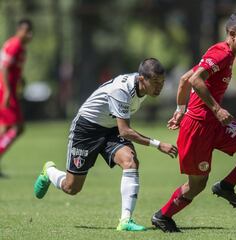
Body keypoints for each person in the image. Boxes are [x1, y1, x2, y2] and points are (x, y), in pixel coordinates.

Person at [151, 12, 236, 233]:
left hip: (216, 125)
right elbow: (195, 80)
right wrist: (215, 108)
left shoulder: (225, 54)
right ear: (232, 34)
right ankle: (162, 216)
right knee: (196, 185)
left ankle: (226, 186)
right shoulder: (222, 53)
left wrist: (179, 110)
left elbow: (186, 78)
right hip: (197, 128)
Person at [33, 58, 178, 231]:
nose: (159, 86)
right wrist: (158, 144)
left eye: (162, 82)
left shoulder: (144, 87)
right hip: (86, 129)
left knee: (130, 162)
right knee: (71, 188)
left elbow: (120, 128)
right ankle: (49, 171)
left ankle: (125, 221)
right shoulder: (122, 90)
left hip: (111, 129)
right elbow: (125, 131)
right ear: (141, 79)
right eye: (155, 82)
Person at [0, 19, 33, 177]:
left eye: (31, 31)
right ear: (19, 30)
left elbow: (12, 68)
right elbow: (4, 68)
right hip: (5, 90)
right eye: (27, 31)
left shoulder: (20, 47)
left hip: (8, 89)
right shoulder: (15, 45)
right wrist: (7, 91)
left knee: (6, 128)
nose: (30, 35)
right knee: (18, 127)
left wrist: (21, 79)